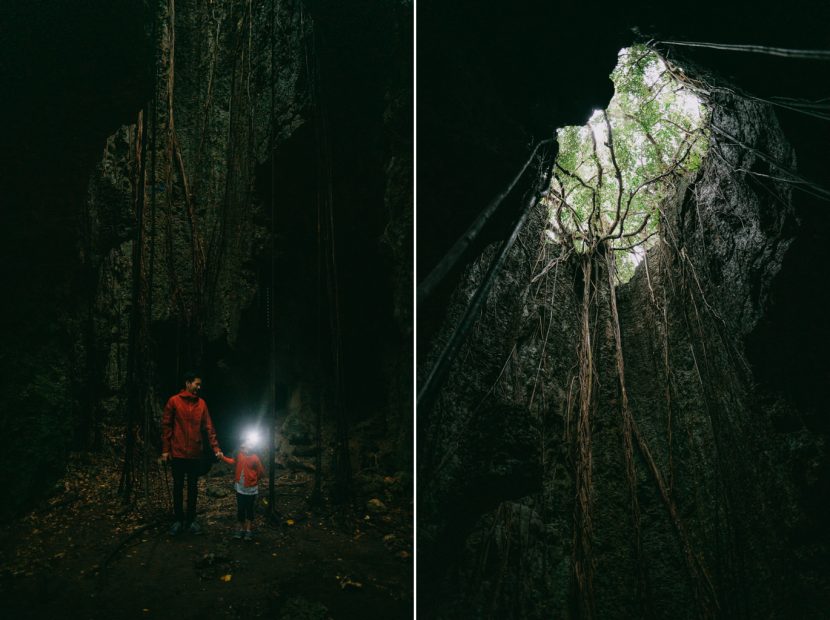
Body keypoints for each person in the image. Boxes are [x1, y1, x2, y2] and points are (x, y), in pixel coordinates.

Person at [161, 371, 223, 535]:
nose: (199, 387)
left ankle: (191, 521)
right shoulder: (174, 401)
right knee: (178, 487)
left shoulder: (201, 404)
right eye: (197, 384)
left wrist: (216, 448)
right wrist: (166, 450)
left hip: (195, 454)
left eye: (200, 384)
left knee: (193, 488)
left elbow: (209, 428)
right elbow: (167, 426)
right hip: (178, 453)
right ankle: (178, 521)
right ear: (188, 383)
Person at [221, 431, 266, 540]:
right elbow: (233, 462)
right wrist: (222, 457)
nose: (249, 445)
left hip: (250, 489)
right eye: (248, 442)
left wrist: (253, 480)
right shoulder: (240, 454)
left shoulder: (255, 458)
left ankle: (249, 530)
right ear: (244, 444)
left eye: (252, 443)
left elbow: (261, 472)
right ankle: (242, 528)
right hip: (240, 488)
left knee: (249, 509)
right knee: (241, 509)